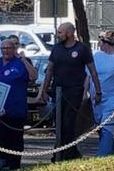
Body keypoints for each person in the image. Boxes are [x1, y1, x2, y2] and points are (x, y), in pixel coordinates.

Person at [38, 22, 101, 161]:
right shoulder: (56, 49)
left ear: (69, 33)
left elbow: (92, 71)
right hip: (58, 91)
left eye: (60, 32)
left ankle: (64, 153)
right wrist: (43, 90)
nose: (58, 35)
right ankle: (65, 152)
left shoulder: (82, 48)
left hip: (75, 91)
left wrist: (98, 91)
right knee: (59, 123)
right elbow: (49, 70)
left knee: (69, 122)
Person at [0, 39, 36, 170]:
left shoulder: (20, 64)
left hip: (16, 110)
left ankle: (14, 166)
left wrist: (24, 60)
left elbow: (33, 76)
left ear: (14, 49)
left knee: (15, 141)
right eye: (3, 48)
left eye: (9, 48)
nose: (6, 51)